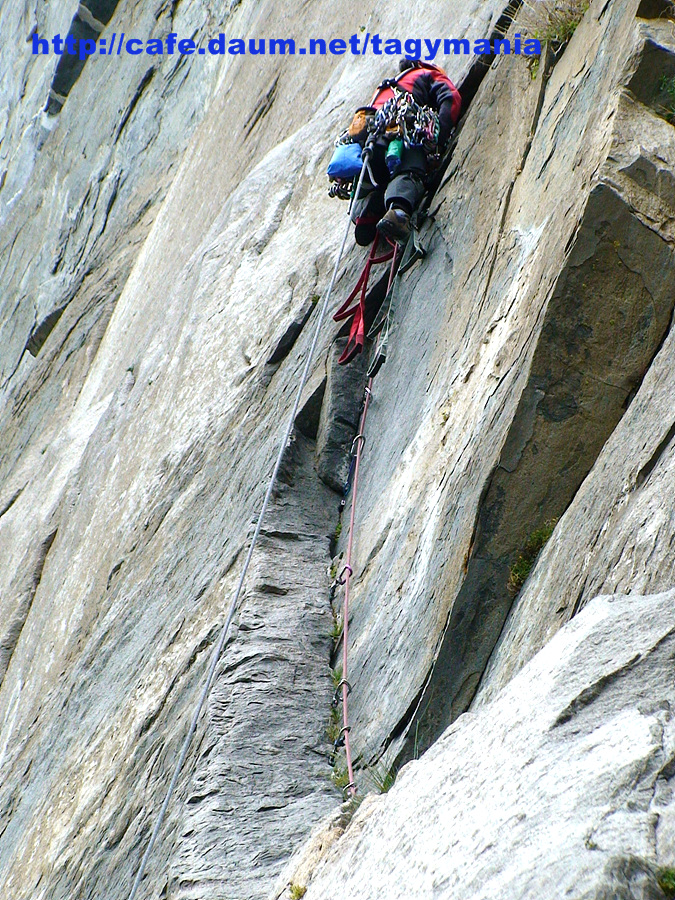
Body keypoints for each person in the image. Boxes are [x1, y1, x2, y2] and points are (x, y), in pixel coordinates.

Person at [349, 59, 461, 245]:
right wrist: (438, 142)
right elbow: (451, 98)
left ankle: (367, 210)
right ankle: (398, 213)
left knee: (377, 176)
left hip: (369, 144)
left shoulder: (385, 88)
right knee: (411, 163)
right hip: (397, 133)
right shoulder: (427, 73)